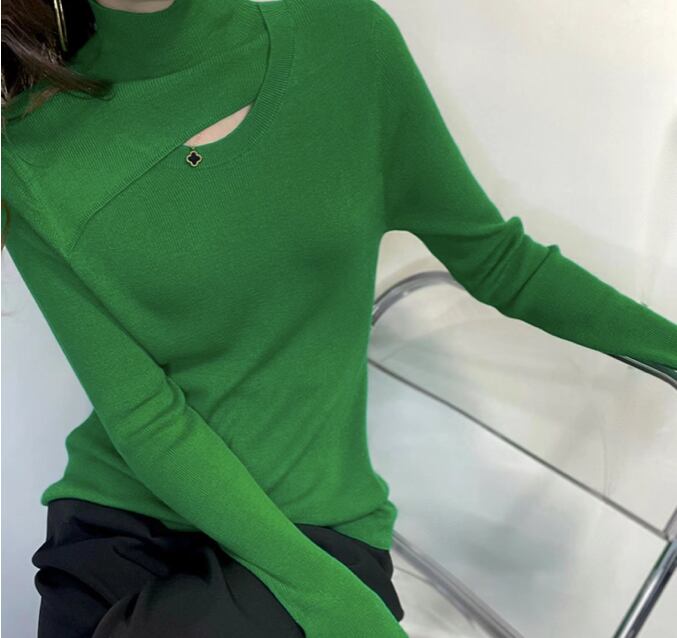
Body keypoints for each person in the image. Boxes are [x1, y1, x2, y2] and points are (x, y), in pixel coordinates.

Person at [1, 0, 675, 636]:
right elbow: (143, 415)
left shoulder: (346, 43)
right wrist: (332, 605)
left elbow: (500, 261)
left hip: (314, 521)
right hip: (125, 524)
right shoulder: (29, 151)